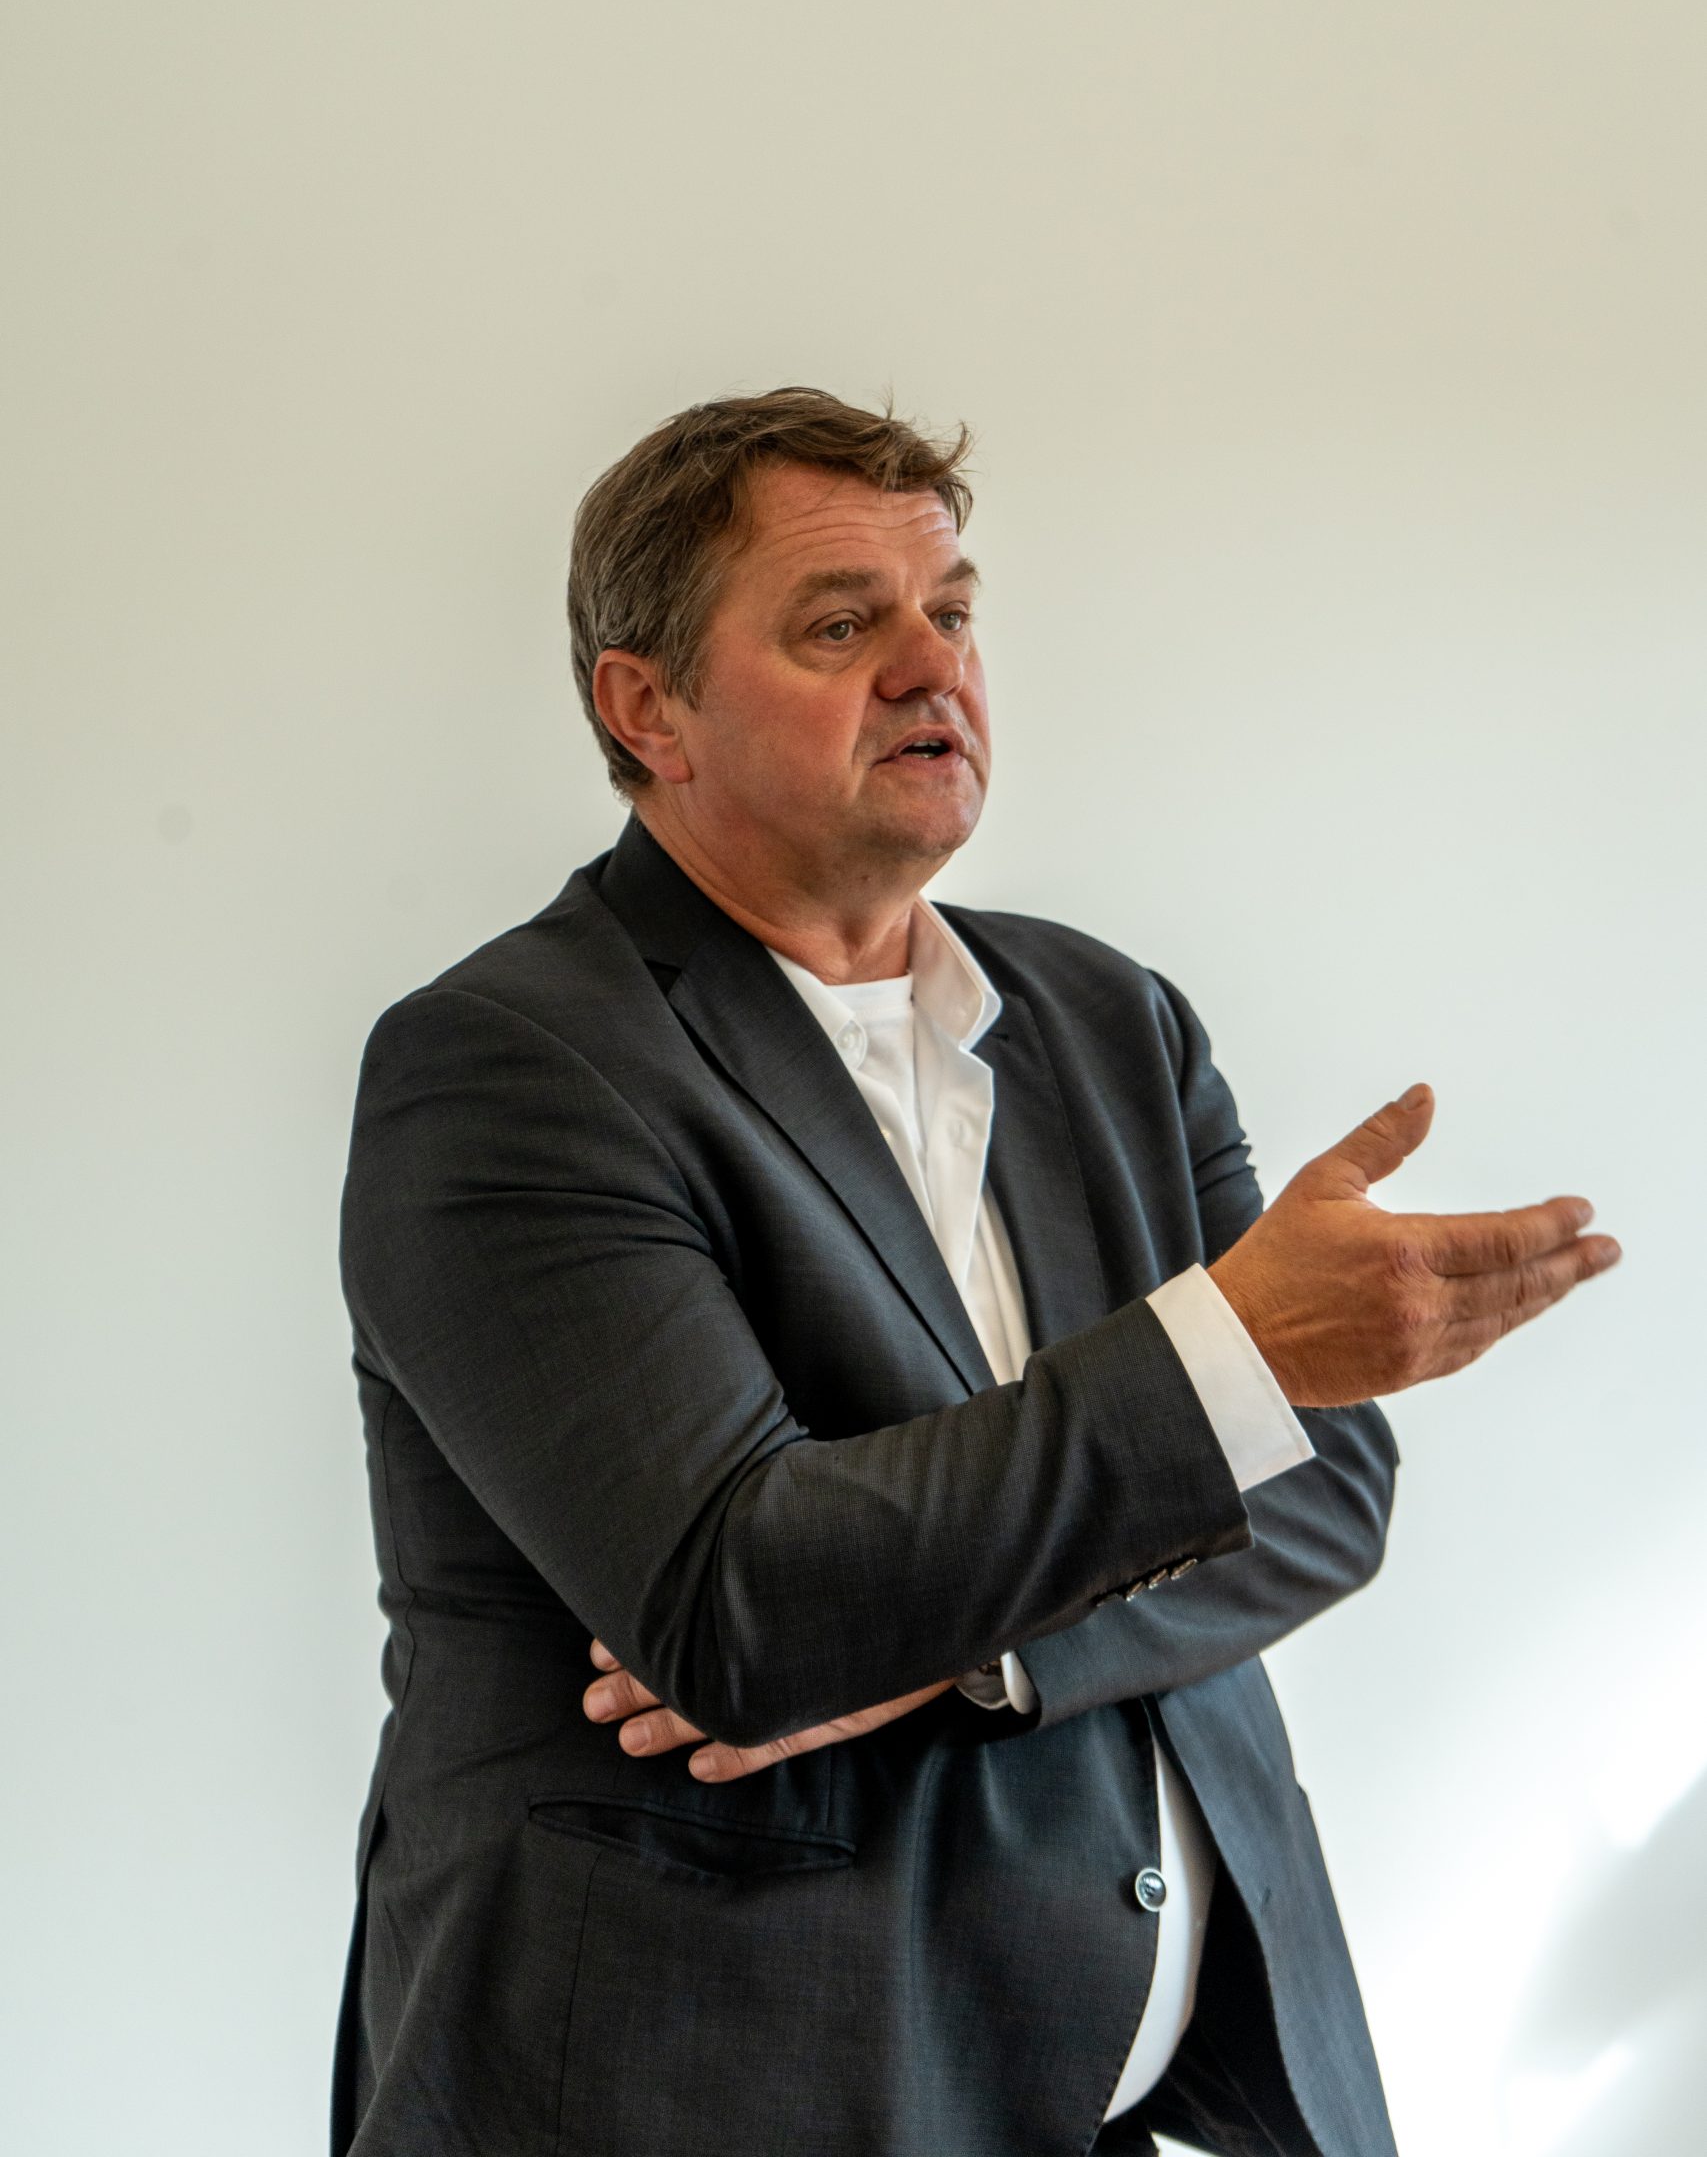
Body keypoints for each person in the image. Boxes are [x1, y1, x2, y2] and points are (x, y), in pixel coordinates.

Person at [331, 388, 1619, 2157]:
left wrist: (966, 1656)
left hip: (1149, 2090)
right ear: (648, 709)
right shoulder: (510, 1064)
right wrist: (1225, 1362)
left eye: (951, 611)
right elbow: (738, 1601)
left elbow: (1324, 1488)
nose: (933, 666)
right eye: (840, 625)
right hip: (714, 2087)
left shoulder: (1109, 1017)